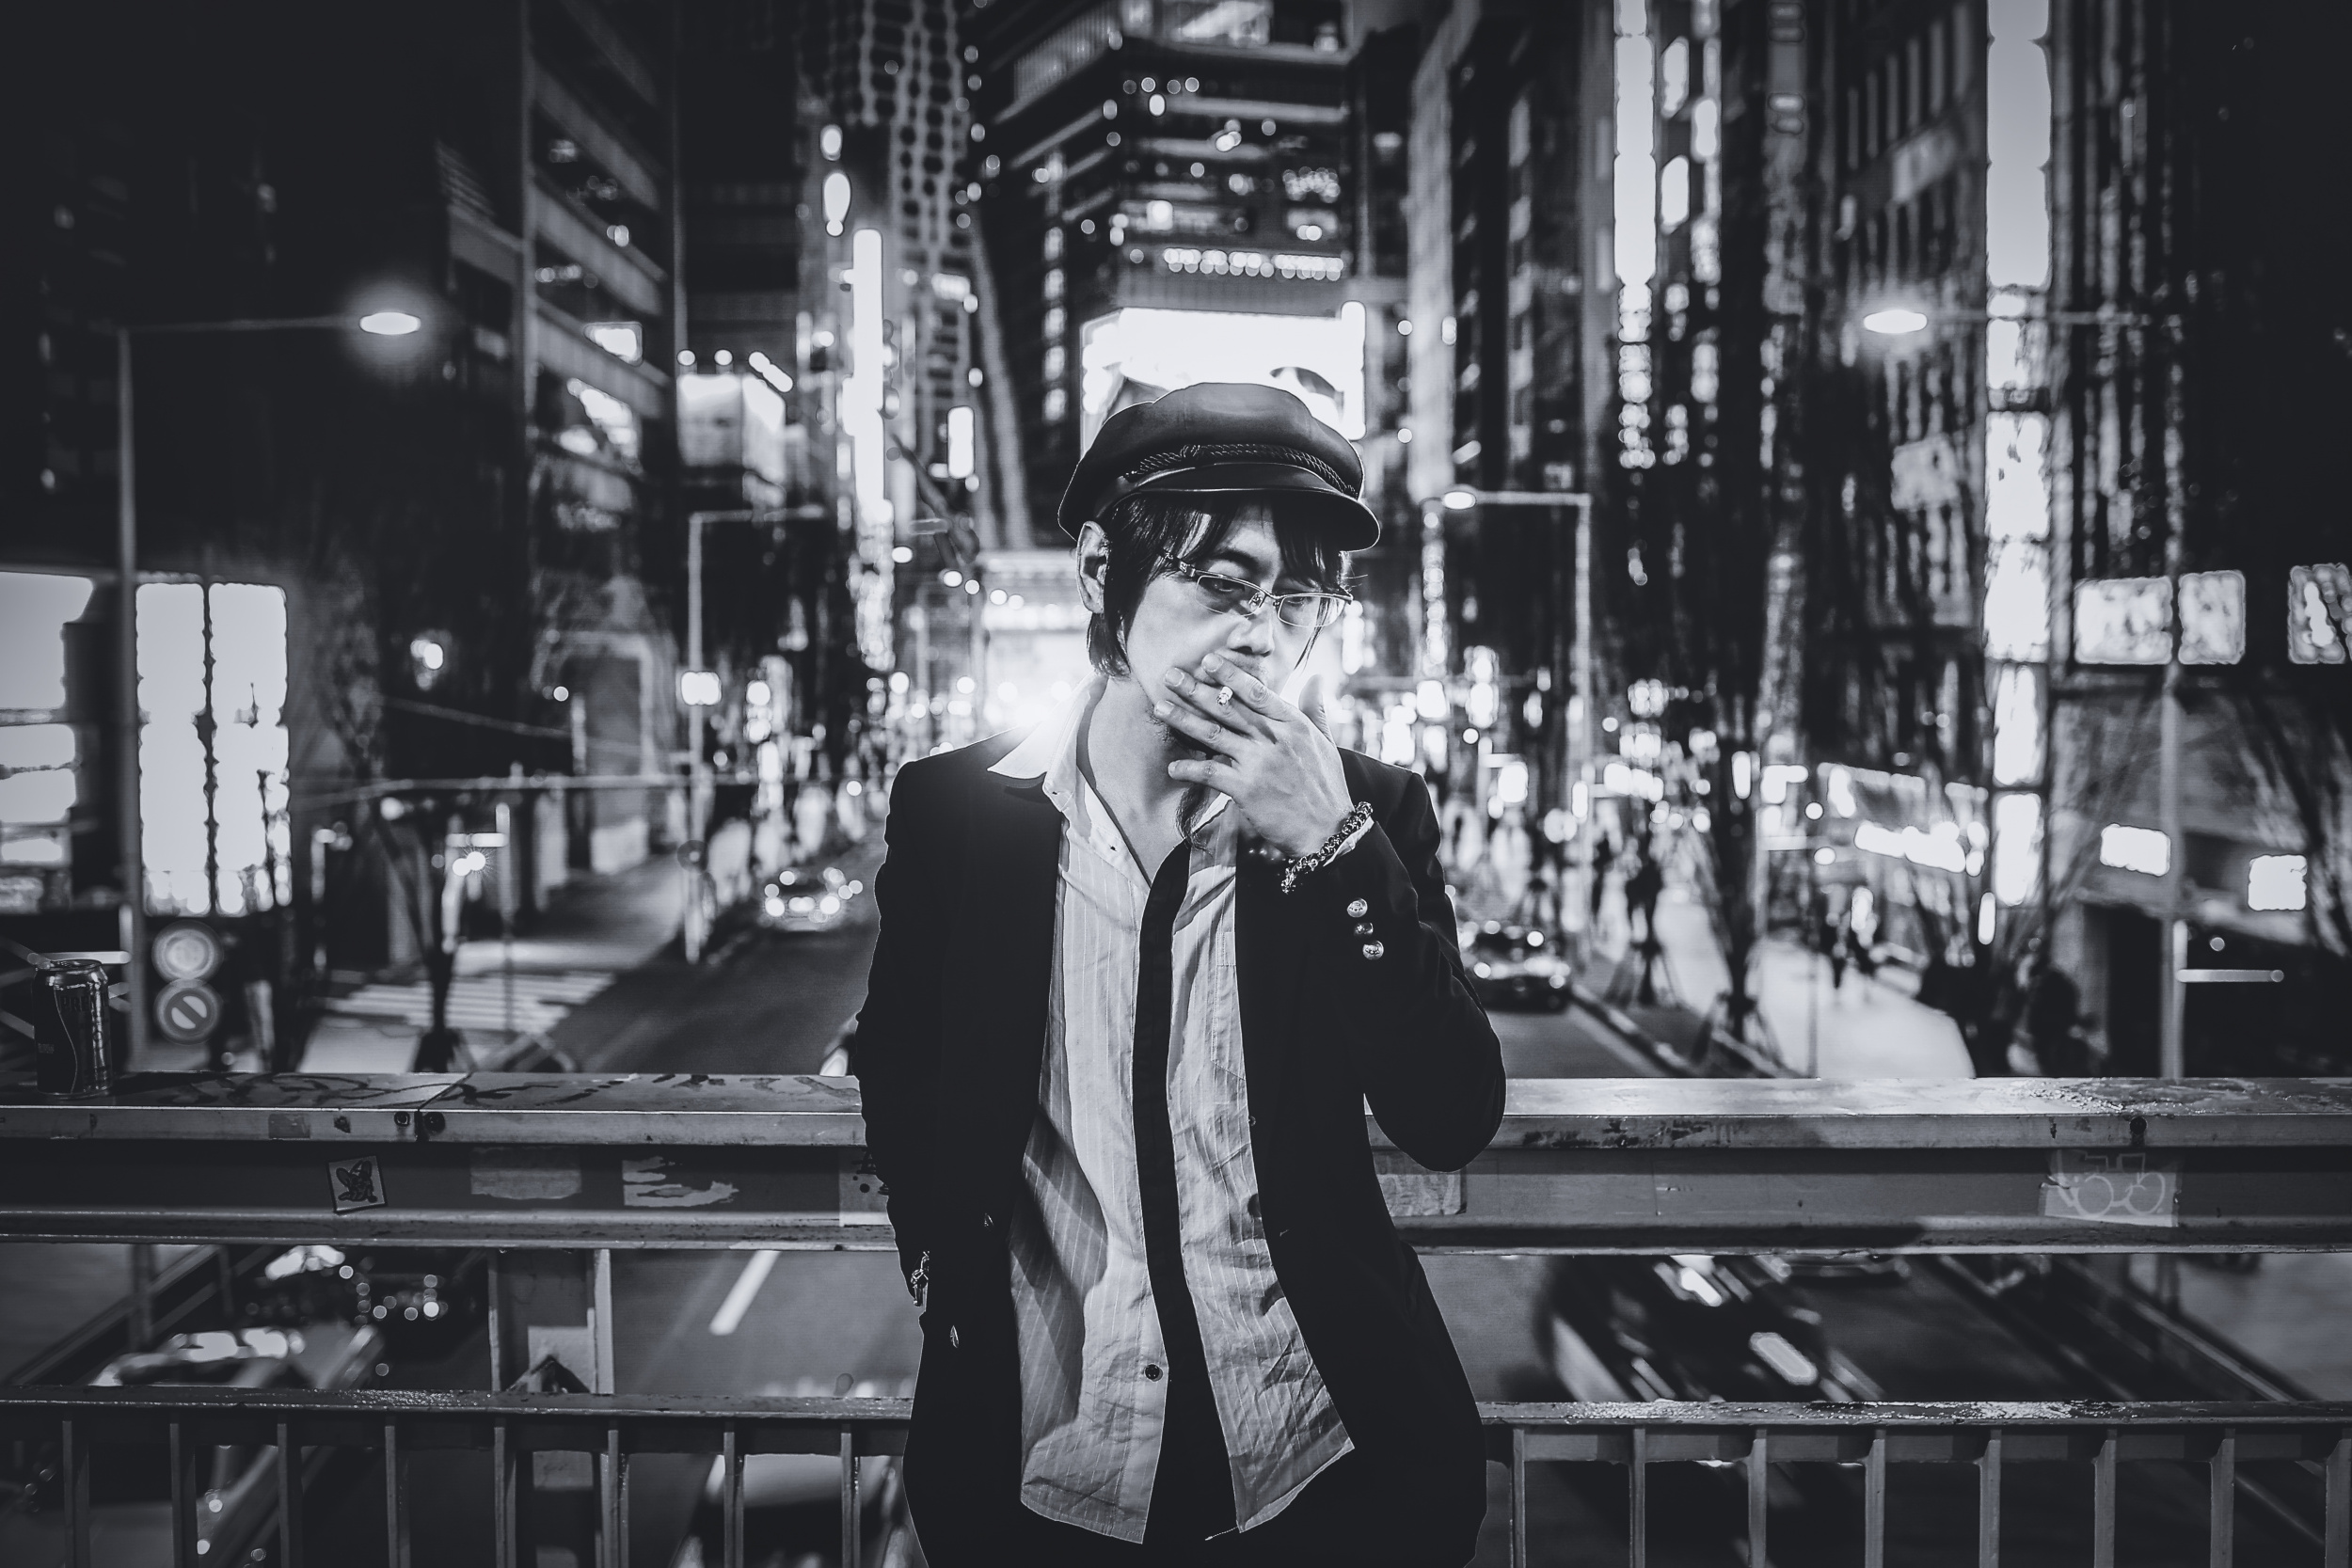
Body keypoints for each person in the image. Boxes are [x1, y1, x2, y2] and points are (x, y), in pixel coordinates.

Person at [853, 384, 1505, 1568]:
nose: (1262, 635)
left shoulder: (1367, 809)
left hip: (1325, 1468)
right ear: (1101, 570)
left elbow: (1450, 1112)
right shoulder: (957, 817)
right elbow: (899, 1061)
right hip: (1044, 1473)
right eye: (1221, 581)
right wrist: (941, 1261)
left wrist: (1332, 847)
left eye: (1300, 597)